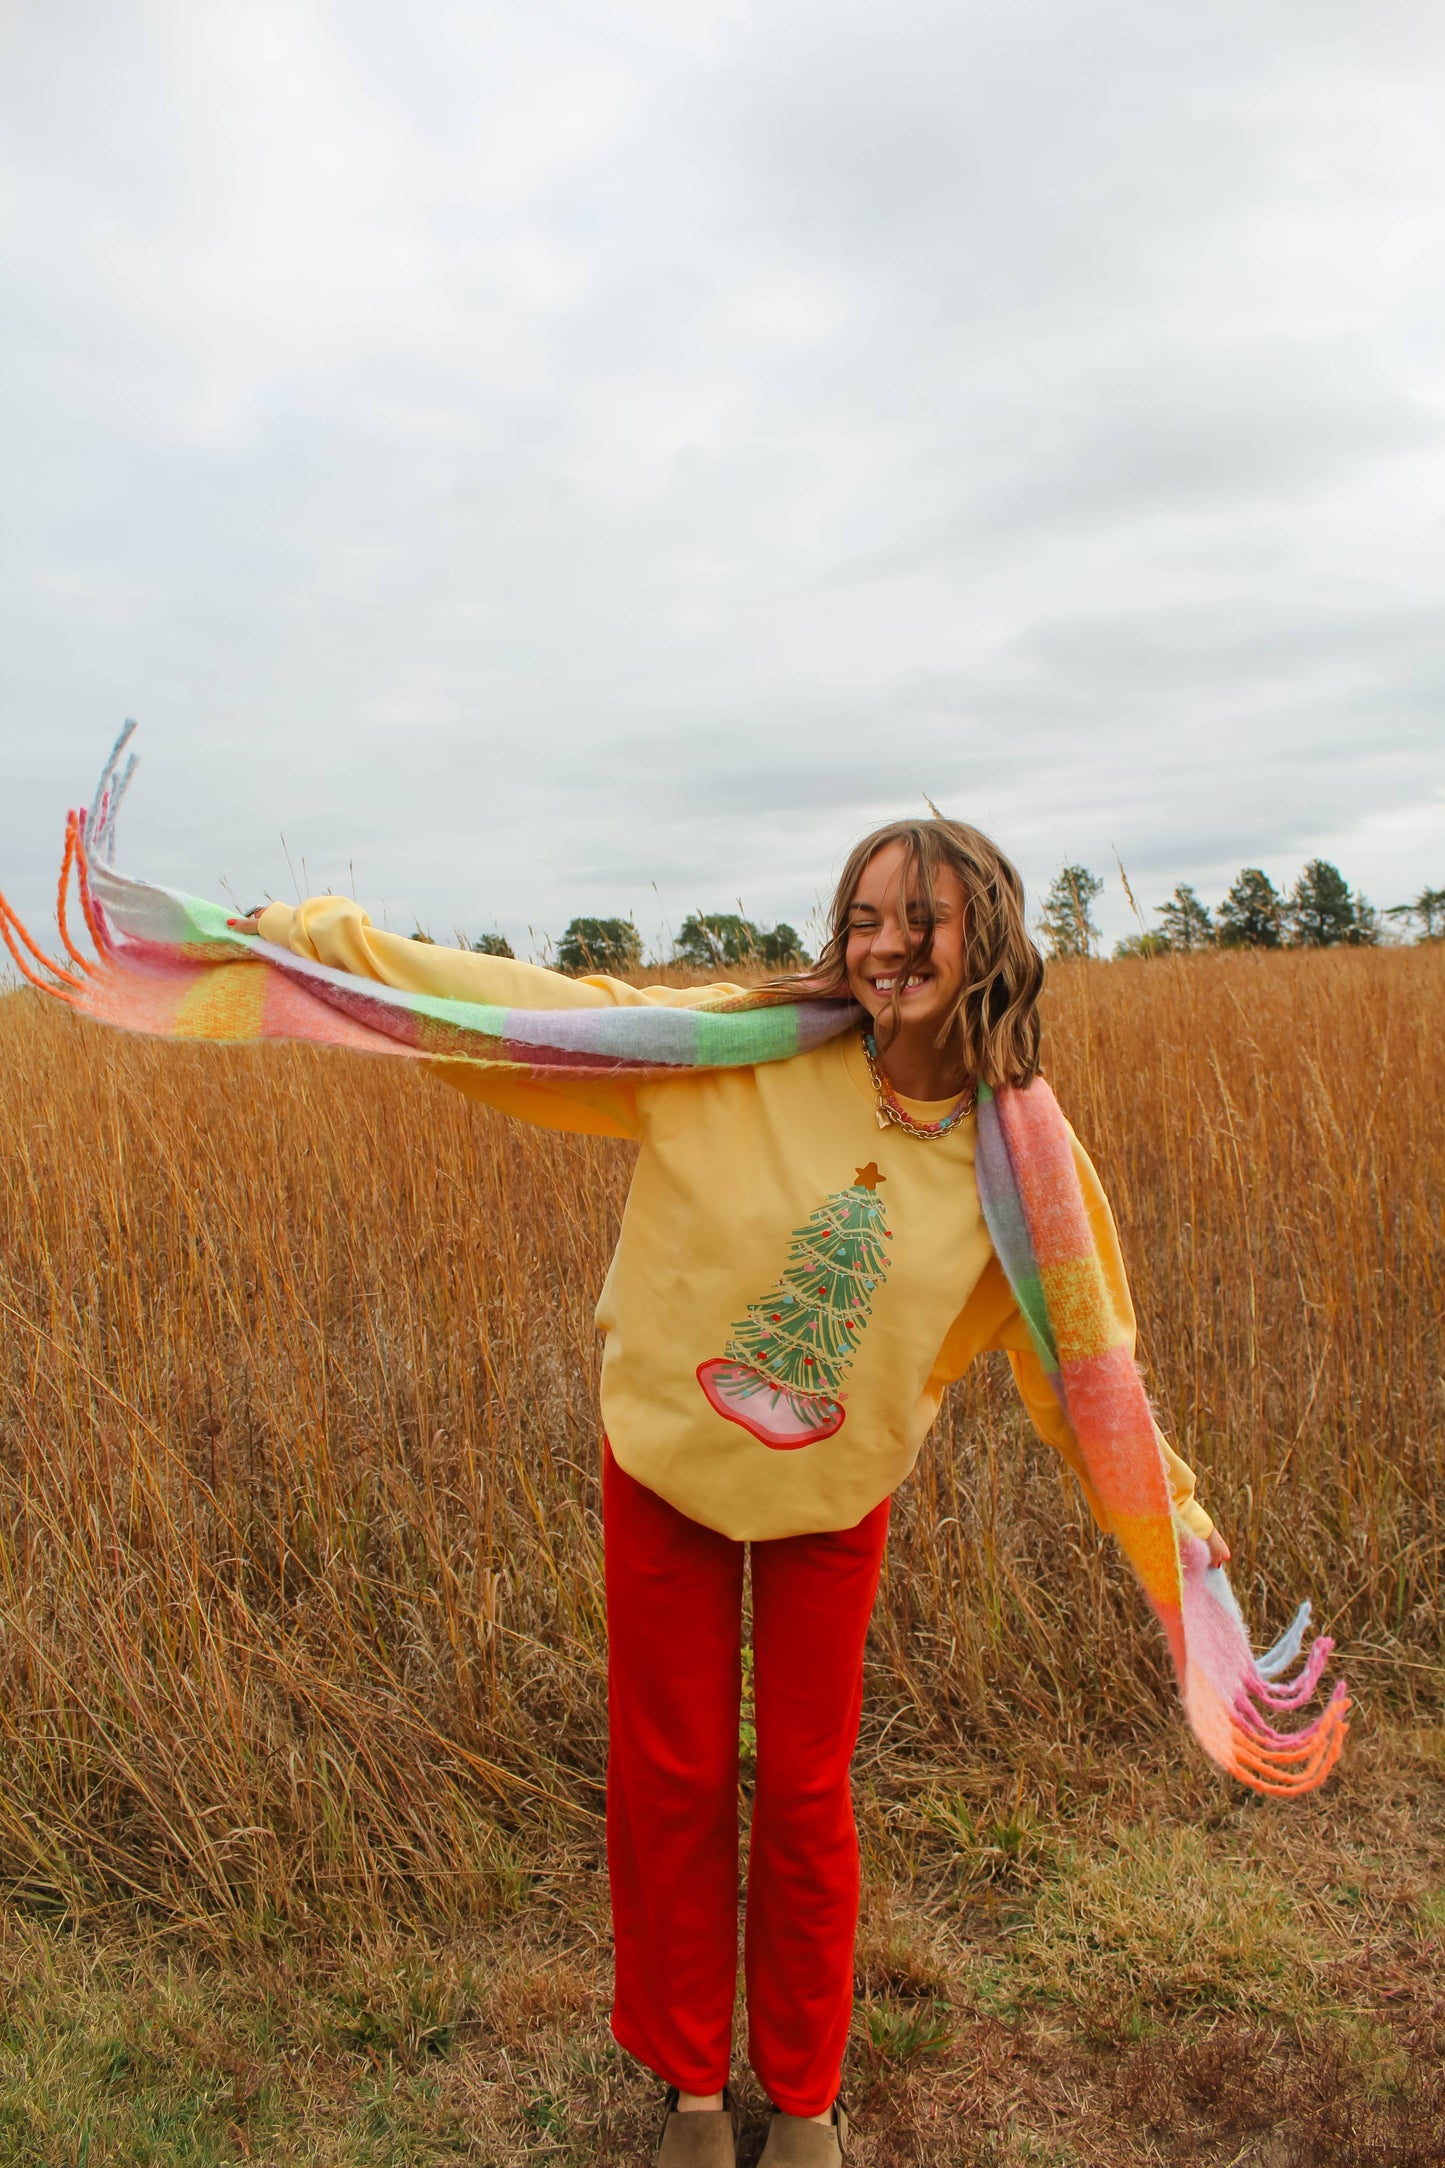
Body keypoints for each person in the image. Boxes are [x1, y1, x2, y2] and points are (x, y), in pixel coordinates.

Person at [235, 818, 1228, 2168]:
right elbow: (543, 1018)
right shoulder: (737, 1050)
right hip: (663, 1470)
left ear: (983, 937)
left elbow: (1088, 1369)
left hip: (833, 1495)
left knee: (806, 1793)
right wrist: (319, 944)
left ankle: (805, 2096)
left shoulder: (1021, 1160)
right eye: (863, 918)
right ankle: (692, 2088)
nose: (884, 946)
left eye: (919, 921)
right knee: (676, 1774)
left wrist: (1169, 1519)